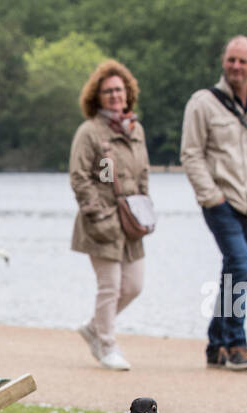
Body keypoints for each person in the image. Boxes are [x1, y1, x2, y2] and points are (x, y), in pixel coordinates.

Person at [181, 36, 247, 371]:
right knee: (241, 266)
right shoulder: (203, 103)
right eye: (231, 60)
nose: (236, 67)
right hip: (222, 201)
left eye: (243, 61)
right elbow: (191, 154)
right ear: (223, 62)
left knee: (233, 269)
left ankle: (216, 343)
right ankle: (237, 344)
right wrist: (212, 196)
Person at [69, 60, 150, 371]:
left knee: (134, 285)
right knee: (110, 286)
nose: (115, 96)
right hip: (100, 221)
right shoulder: (89, 132)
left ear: (128, 93)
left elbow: (142, 172)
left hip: (132, 220)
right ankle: (106, 345)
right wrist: (97, 213)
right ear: (97, 97)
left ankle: (94, 328)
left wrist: (145, 206)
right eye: (108, 91)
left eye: (119, 90)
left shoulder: (136, 130)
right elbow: (78, 177)